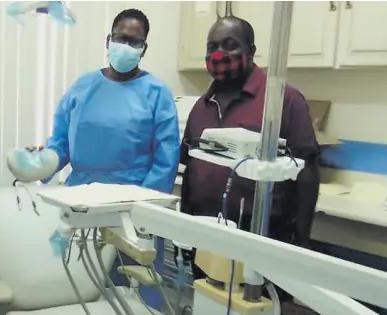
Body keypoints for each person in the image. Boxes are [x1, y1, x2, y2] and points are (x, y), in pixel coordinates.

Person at [27, 8, 180, 310]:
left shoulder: (157, 93)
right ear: (108, 40)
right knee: (77, 290)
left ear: (144, 49)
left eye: (135, 42)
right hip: (80, 204)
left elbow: (165, 160)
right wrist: (40, 161)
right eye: (121, 37)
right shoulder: (82, 88)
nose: (126, 46)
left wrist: (141, 209)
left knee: (133, 297)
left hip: (132, 211)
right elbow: (60, 146)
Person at [178, 16, 320, 277]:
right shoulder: (202, 106)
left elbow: (307, 172)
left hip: (262, 239)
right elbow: (191, 168)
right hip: (206, 236)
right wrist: (187, 229)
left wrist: (301, 240)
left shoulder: (282, 100)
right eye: (212, 47)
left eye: (230, 45)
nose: (219, 54)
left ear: (251, 51)